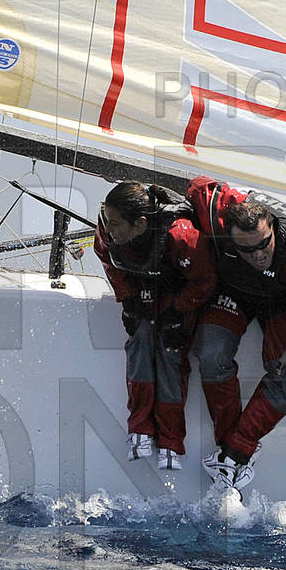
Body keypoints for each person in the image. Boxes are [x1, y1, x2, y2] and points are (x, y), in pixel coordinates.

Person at [185, 176, 286, 490]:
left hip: (282, 302)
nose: (259, 255)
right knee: (211, 355)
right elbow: (198, 186)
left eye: (264, 244)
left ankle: (235, 452)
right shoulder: (217, 214)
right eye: (247, 249)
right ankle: (229, 455)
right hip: (234, 293)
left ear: (272, 228)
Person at [97, 181, 215, 470]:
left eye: (115, 224)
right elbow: (107, 258)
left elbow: (204, 280)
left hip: (180, 293)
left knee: (170, 353)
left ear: (140, 223)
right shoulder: (107, 229)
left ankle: (171, 440)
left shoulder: (180, 235)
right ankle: (139, 428)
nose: (108, 229)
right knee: (139, 343)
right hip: (141, 287)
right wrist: (128, 300)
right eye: (107, 220)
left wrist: (178, 310)